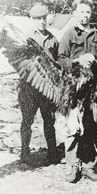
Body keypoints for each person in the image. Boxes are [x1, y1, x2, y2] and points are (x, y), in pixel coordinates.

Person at [58, 0, 97, 183]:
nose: (85, 15)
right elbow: (61, 59)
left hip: (92, 88)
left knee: (90, 126)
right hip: (72, 88)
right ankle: (72, 167)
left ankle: (88, 166)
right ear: (75, 13)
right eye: (82, 12)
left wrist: (95, 62)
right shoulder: (69, 34)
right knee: (72, 128)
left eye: (88, 12)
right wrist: (77, 61)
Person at [18, 3, 59, 164]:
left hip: (46, 89)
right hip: (28, 87)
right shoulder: (25, 38)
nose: (41, 21)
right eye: (37, 18)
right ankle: (24, 152)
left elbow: (57, 62)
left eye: (43, 18)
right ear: (31, 19)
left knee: (49, 120)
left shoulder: (53, 39)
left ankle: (52, 153)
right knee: (27, 120)